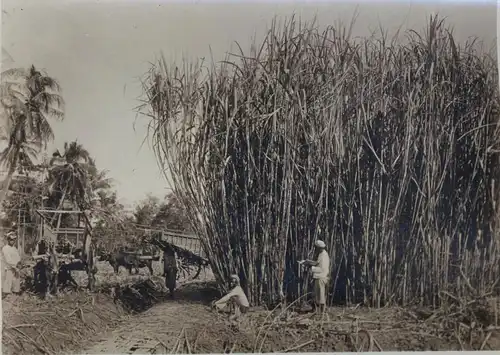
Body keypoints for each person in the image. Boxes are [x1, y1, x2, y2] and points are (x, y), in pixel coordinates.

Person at [302, 240, 330, 314]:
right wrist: (310, 262)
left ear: (319, 248)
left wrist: (311, 268)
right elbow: (318, 263)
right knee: (317, 294)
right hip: (319, 277)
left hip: (321, 277)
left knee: (321, 294)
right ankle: (317, 310)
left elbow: (322, 268)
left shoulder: (323, 255)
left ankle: (322, 312)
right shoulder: (322, 254)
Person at [2, 231, 22, 298]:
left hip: (16, 267)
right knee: (8, 280)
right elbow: (8, 260)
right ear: (8, 240)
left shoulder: (14, 248)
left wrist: (19, 263)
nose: (12, 241)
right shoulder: (5, 248)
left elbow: (18, 257)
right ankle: (6, 293)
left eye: (13, 240)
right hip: (9, 268)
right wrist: (15, 265)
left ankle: (15, 292)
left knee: (16, 280)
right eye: (11, 240)